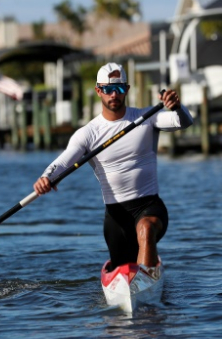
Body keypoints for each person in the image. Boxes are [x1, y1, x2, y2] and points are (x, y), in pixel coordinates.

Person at [33, 62, 193, 276]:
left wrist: (176, 107)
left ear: (126, 90)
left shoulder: (147, 118)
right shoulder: (88, 133)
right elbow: (63, 163)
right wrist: (46, 177)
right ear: (99, 91)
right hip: (116, 217)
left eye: (118, 89)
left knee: (146, 229)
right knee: (122, 266)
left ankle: (144, 283)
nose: (113, 95)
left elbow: (184, 121)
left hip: (149, 206)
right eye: (108, 89)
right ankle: (139, 275)